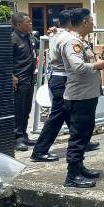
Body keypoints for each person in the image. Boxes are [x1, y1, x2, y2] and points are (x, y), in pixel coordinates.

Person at [61, 8, 104, 188]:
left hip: (87, 95)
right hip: (79, 97)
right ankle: (72, 175)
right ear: (84, 22)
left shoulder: (81, 41)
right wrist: (97, 65)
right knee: (78, 136)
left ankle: (79, 167)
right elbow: (78, 67)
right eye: (91, 20)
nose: (93, 23)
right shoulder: (72, 41)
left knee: (85, 133)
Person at [30, 10, 71, 162]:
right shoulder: (65, 37)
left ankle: (82, 141)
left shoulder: (56, 34)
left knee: (68, 113)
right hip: (61, 79)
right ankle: (39, 151)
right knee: (58, 115)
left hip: (59, 78)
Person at [11, 12, 36, 151]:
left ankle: (24, 135)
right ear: (19, 25)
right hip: (18, 80)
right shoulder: (13, 39)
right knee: (18, 110)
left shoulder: (30, 37)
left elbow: (40, 45)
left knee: (26, 109)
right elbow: (4, 59)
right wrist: (11, 76)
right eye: (28, 22)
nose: (31, 24)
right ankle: (17, 139)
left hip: (29, 78)